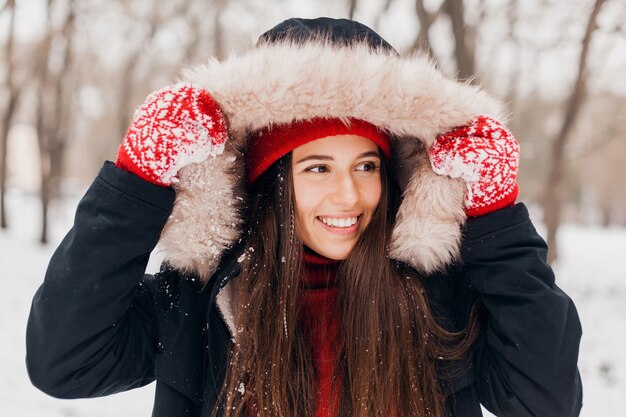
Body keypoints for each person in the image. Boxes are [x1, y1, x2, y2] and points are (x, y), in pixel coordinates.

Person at [26, 17, 582, 417]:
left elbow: (546, 398)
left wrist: (495, 220)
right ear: (273, 182)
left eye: (366, 165)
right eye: (317, 168)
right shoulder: (197, 304)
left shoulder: (440, 300)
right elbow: (65, 362)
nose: (349, 195)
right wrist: (137, 183)